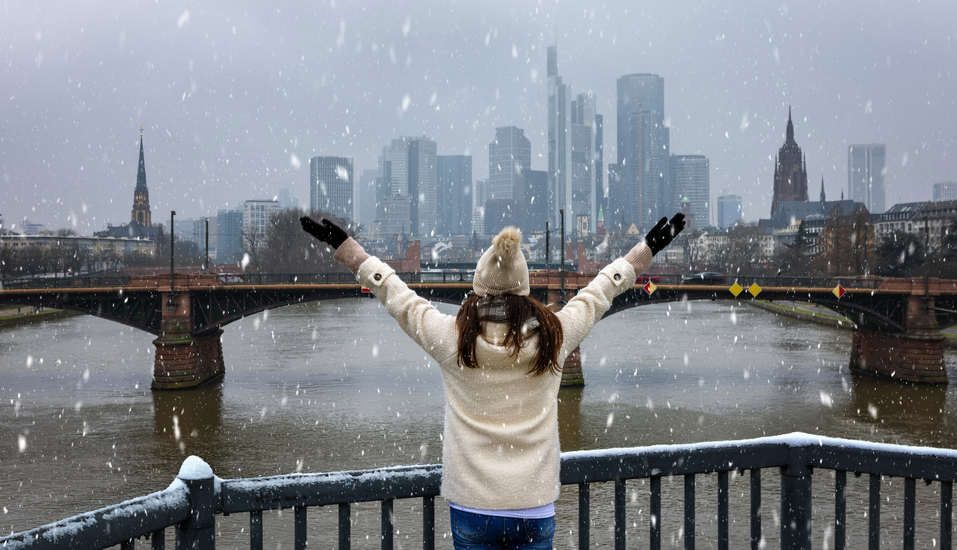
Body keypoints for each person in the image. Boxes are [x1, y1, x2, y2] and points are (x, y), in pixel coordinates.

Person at [301, 213, 685, 550]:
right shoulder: (553, 337)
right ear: (525, 288)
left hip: (473, 507)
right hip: (533, 508)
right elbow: (599, 293)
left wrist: (349, 250)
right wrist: (646, 249)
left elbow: (398, 296)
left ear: (477, 288)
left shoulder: (451, 339)